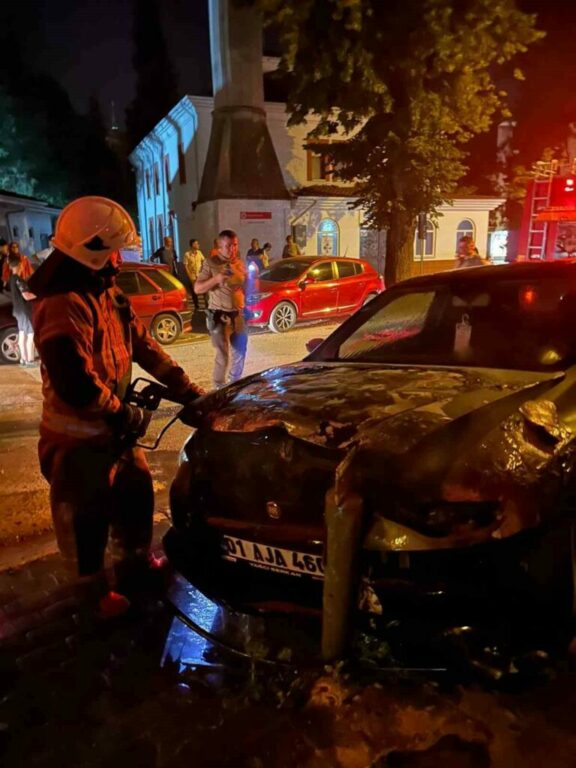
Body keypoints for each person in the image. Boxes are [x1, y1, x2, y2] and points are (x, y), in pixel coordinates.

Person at [29, 196, 204, 618]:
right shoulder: (62, 303)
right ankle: (92, 599)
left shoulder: (105, 292)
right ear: (91, 251)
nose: (119, 260)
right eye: (113, 251)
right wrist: (121, 412)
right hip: (78, 441)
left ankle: (136, 570)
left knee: (135, 496)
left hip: (112, 434)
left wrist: (189, 392)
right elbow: (74, 382)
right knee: (85, 518)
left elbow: (142, 345)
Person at [195, 229, 247, 389]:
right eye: (228, 246)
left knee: (240, 352)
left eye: (235, 245)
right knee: (223, 356)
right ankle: (218, 388)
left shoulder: (239, 264)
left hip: (237, 315)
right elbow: (198, 288)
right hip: (219, 316)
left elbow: (246, 286)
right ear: (220, 246)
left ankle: (234, 384)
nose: (232, 249)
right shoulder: (211, 263)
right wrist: (216, 279)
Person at [7, 253, 36, 365]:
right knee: (30, 335)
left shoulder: (11, 279)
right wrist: (39, 295)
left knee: (22, 333)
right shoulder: (19, 280)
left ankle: (23, 359)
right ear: (20, 264)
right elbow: (26, 296)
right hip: (24, 311)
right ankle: (30, 360)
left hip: (17, 311)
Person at [183, 238, 205, 309]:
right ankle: (197, 306)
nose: (198, 245)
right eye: (196, 243)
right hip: (192, 276)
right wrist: (189, 276)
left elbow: (204, 261)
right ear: (192, 245)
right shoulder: (187, 254)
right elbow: (185, 266)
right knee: (194, 291)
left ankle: (206, 304)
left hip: (199, 275)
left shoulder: (199, 253)